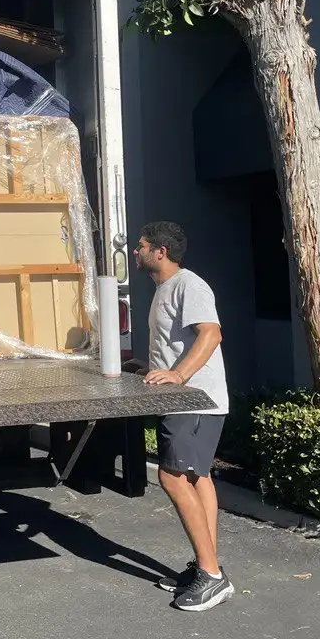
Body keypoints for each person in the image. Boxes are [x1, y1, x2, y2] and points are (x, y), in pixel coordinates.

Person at [130, 220, 234, 613]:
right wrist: (153, 367)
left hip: (194, 399)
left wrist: (178, 375)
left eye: (141, 245)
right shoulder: (165, 289)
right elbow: (179, 343)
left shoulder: (189, 284)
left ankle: (212, 576)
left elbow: (211, 334)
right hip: (183, 399)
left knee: (171, 476)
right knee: (196, 476)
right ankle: (207, 566)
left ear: (160, 252)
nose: (136, 250)